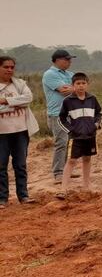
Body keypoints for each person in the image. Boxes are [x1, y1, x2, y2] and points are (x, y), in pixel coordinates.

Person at [56, 72, 102, 199]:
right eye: (78, 83)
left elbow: (99, 113)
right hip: (76, 137)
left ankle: (86, 186)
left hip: (90, 135)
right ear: (73, 85)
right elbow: (61, 118)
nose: (81, 86)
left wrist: (96, 125)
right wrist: (71, 130)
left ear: (87, 84)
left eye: (83, 83)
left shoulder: (92, 99)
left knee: (87, 159)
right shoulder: (68, 101)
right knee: (71, 160)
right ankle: (63, 189)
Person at [0, 56, 39, 208]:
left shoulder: (20, 84)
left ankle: (23, 196)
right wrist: (17, 103)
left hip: (21, 131)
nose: (9, 70)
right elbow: (22, 102)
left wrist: (5, 101)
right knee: (1, 166)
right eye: (6, 67)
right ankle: (2, 198)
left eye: (12, 67)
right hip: (2, 133)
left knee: (20, 164)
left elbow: (28, 98)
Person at [42, 49, 76, 182]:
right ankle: (58, 173)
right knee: (61, 143)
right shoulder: (50, 74)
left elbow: (76, 88)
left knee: (70, 143)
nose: (69, 62)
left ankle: (67, 170)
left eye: (70, 59)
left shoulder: (70, 74)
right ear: (57, 60)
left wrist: (74, 88)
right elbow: (63, 91)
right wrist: (77, 88)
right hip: (57, 114)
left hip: (71, 113)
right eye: (66, 59)